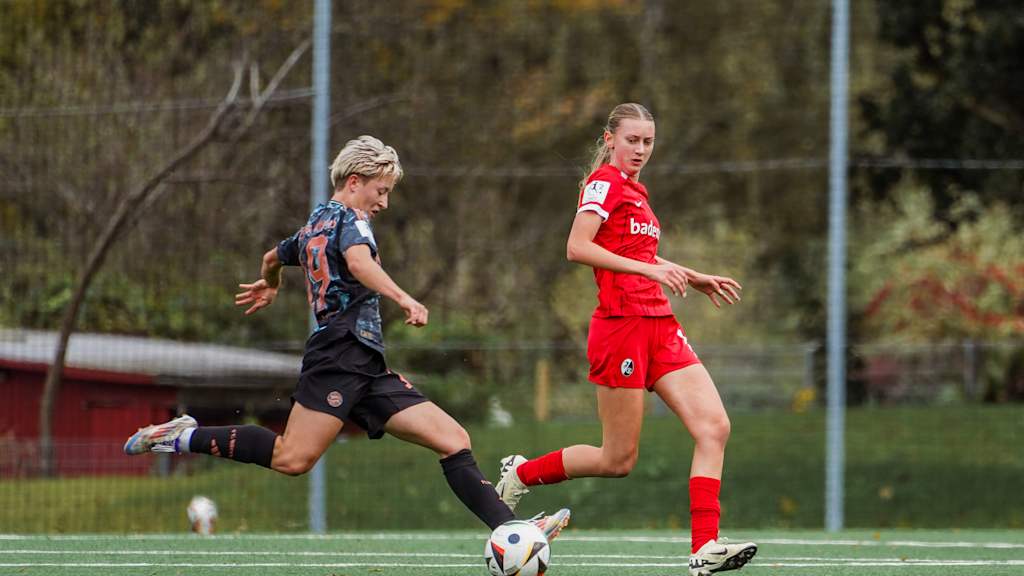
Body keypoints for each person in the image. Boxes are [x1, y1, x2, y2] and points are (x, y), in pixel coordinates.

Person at [124, 135, 569, 539]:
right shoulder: (351, 221)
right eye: (382, 190)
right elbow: (358, 263)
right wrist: (404, 298)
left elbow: (271, 255)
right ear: (355, 181)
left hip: (366, 364)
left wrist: (271, 281)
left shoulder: (315, 223)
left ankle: (512, 530)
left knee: (453, 438)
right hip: (338, 355)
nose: (385, 202)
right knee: (291, 459)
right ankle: (183, 435)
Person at [493, 104, 756, 575]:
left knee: (714, 427)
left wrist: (689, 275)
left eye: (648, 142)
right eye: (632, 139)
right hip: (621, 328)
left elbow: (638, 253)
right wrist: (651, 269)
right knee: (617, 459)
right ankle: (522, 472)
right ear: (610, 139)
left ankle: (705, 548)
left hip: (660, 324)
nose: (640, 149)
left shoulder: (637, 191)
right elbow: (578, 247)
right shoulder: (603, 183)